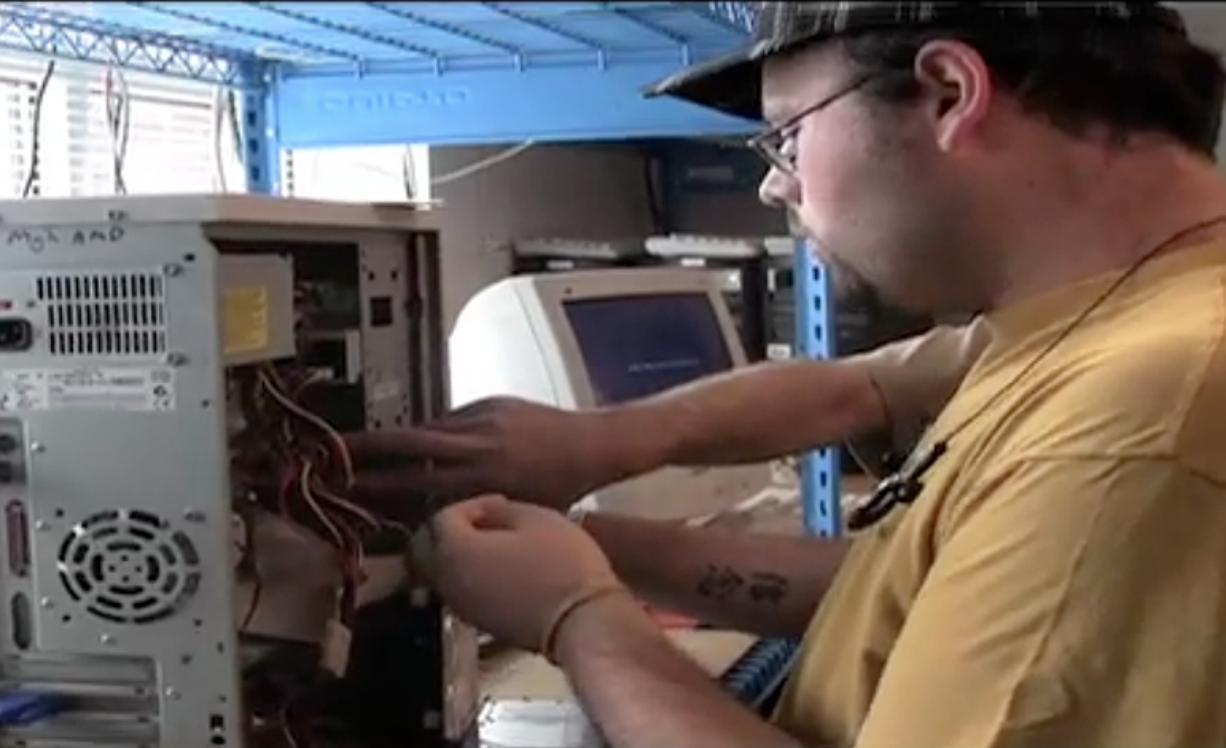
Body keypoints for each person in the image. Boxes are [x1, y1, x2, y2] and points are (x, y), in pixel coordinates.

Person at [350, 3, 1226, 747]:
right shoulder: (1097, 317)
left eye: (786, 137)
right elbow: (900, 522)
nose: (778, 187)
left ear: (951, 94)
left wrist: (580, 618)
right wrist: (593, 524)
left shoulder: (1141, 417)